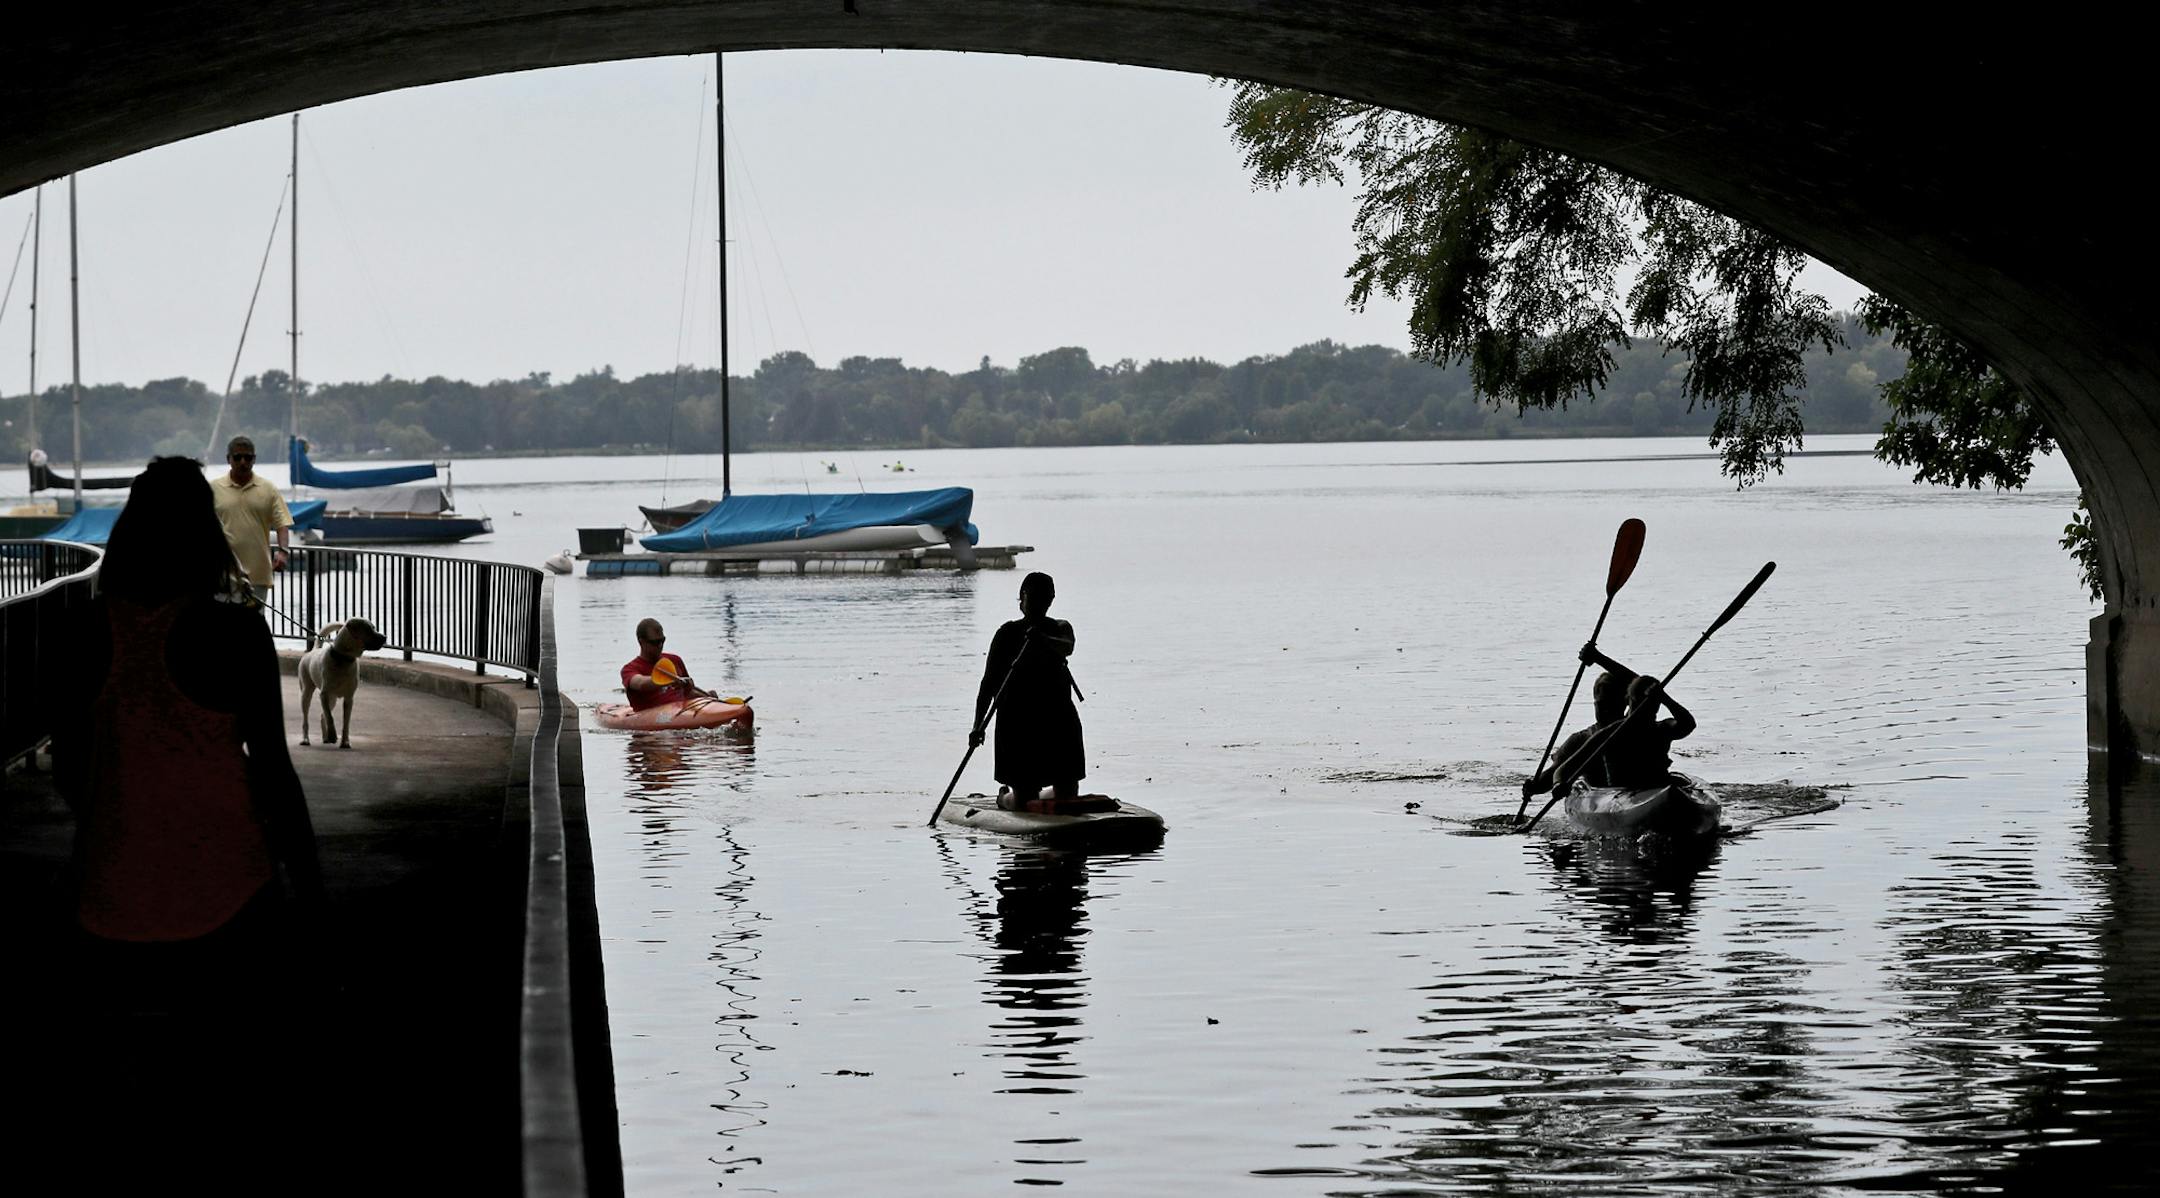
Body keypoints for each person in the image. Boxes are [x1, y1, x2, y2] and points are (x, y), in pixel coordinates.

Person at [50, 456, 324, 991]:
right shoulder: (237, 635)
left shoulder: (84, 631)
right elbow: (273, 771)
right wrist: (310, 889)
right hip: (233, 884)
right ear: (206, 534)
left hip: (110, 889)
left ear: (128, 531)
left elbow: (70, 763)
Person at [972, 572, 1085, 809]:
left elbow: (1067, 647)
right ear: (1022, 597)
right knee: (1024, 799)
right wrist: (977, 726)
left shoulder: (1060, 628)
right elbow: (988, 683)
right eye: (1033, 597)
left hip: (1058, 721)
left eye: (1045, 598)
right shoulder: (1006, 633)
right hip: (1018, 724)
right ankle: (1005, 799)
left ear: (1052, 600)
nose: (1038, 604)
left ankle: (1047, 801)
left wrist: (1042, 638)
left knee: (1067, 793)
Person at [1522, 643, 1639, 800]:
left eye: (1611, 705)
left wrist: (1600, 659)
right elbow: (1553, 775)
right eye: (1601, 705)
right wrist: (1533, 786)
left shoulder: (1636, 726)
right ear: (1594, 704)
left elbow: (1641, 685)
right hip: (1601, 799)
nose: (1605, 711)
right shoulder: (1580, 740)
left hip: (1635, 794)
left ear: (1625, 704)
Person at [210, 434, 293, 604]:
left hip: (257, 575)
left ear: (254, 459)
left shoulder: (268, 489)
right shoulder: (213, 489)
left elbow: (282, 524)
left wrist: (283, 552)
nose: (242, 462)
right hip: (222, 575)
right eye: (237, 457)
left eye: (247, 457)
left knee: (252, 626)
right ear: (228, 459)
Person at [1601, 673, 1697, 789]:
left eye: (1653, 704)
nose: (1648, 710)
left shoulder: (1662, 729)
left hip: (1658, 785)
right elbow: (1576, 760)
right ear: (1628, 700)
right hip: (1622, 792)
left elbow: (1688, 724)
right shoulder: (1611, 733)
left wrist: (1665, 698)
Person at [620, 617, 699, 710]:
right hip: (654, 715)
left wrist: (707, 697)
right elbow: (640, 683)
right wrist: (668, 680)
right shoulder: (629, 669)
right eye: (655, 642)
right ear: (641, 642)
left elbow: (688, 692)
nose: (660, 645)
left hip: (682, 710)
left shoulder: (675, 660)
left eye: (662, 640)